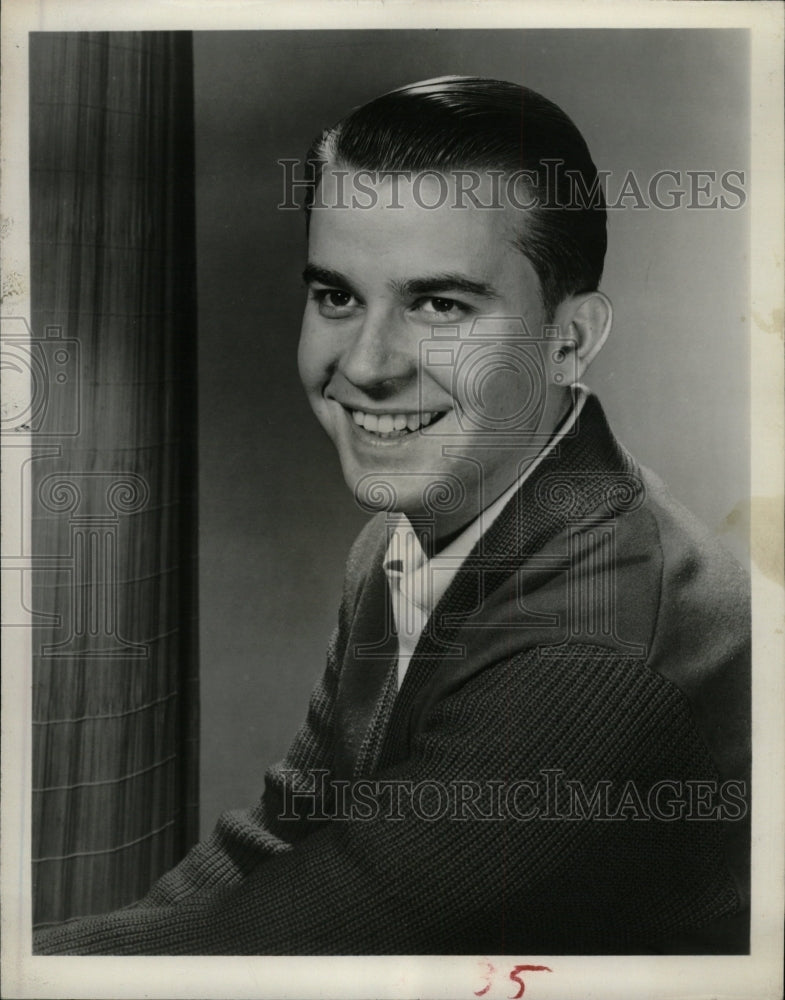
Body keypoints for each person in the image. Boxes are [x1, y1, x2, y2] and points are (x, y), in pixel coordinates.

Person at [34, 76, 750, 955]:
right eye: (337, 296)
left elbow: (289, 943)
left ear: (569, 340)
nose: (367, 365)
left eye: (439, 304)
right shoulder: (404, 534)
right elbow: (278, 838)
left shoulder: (594, 647)